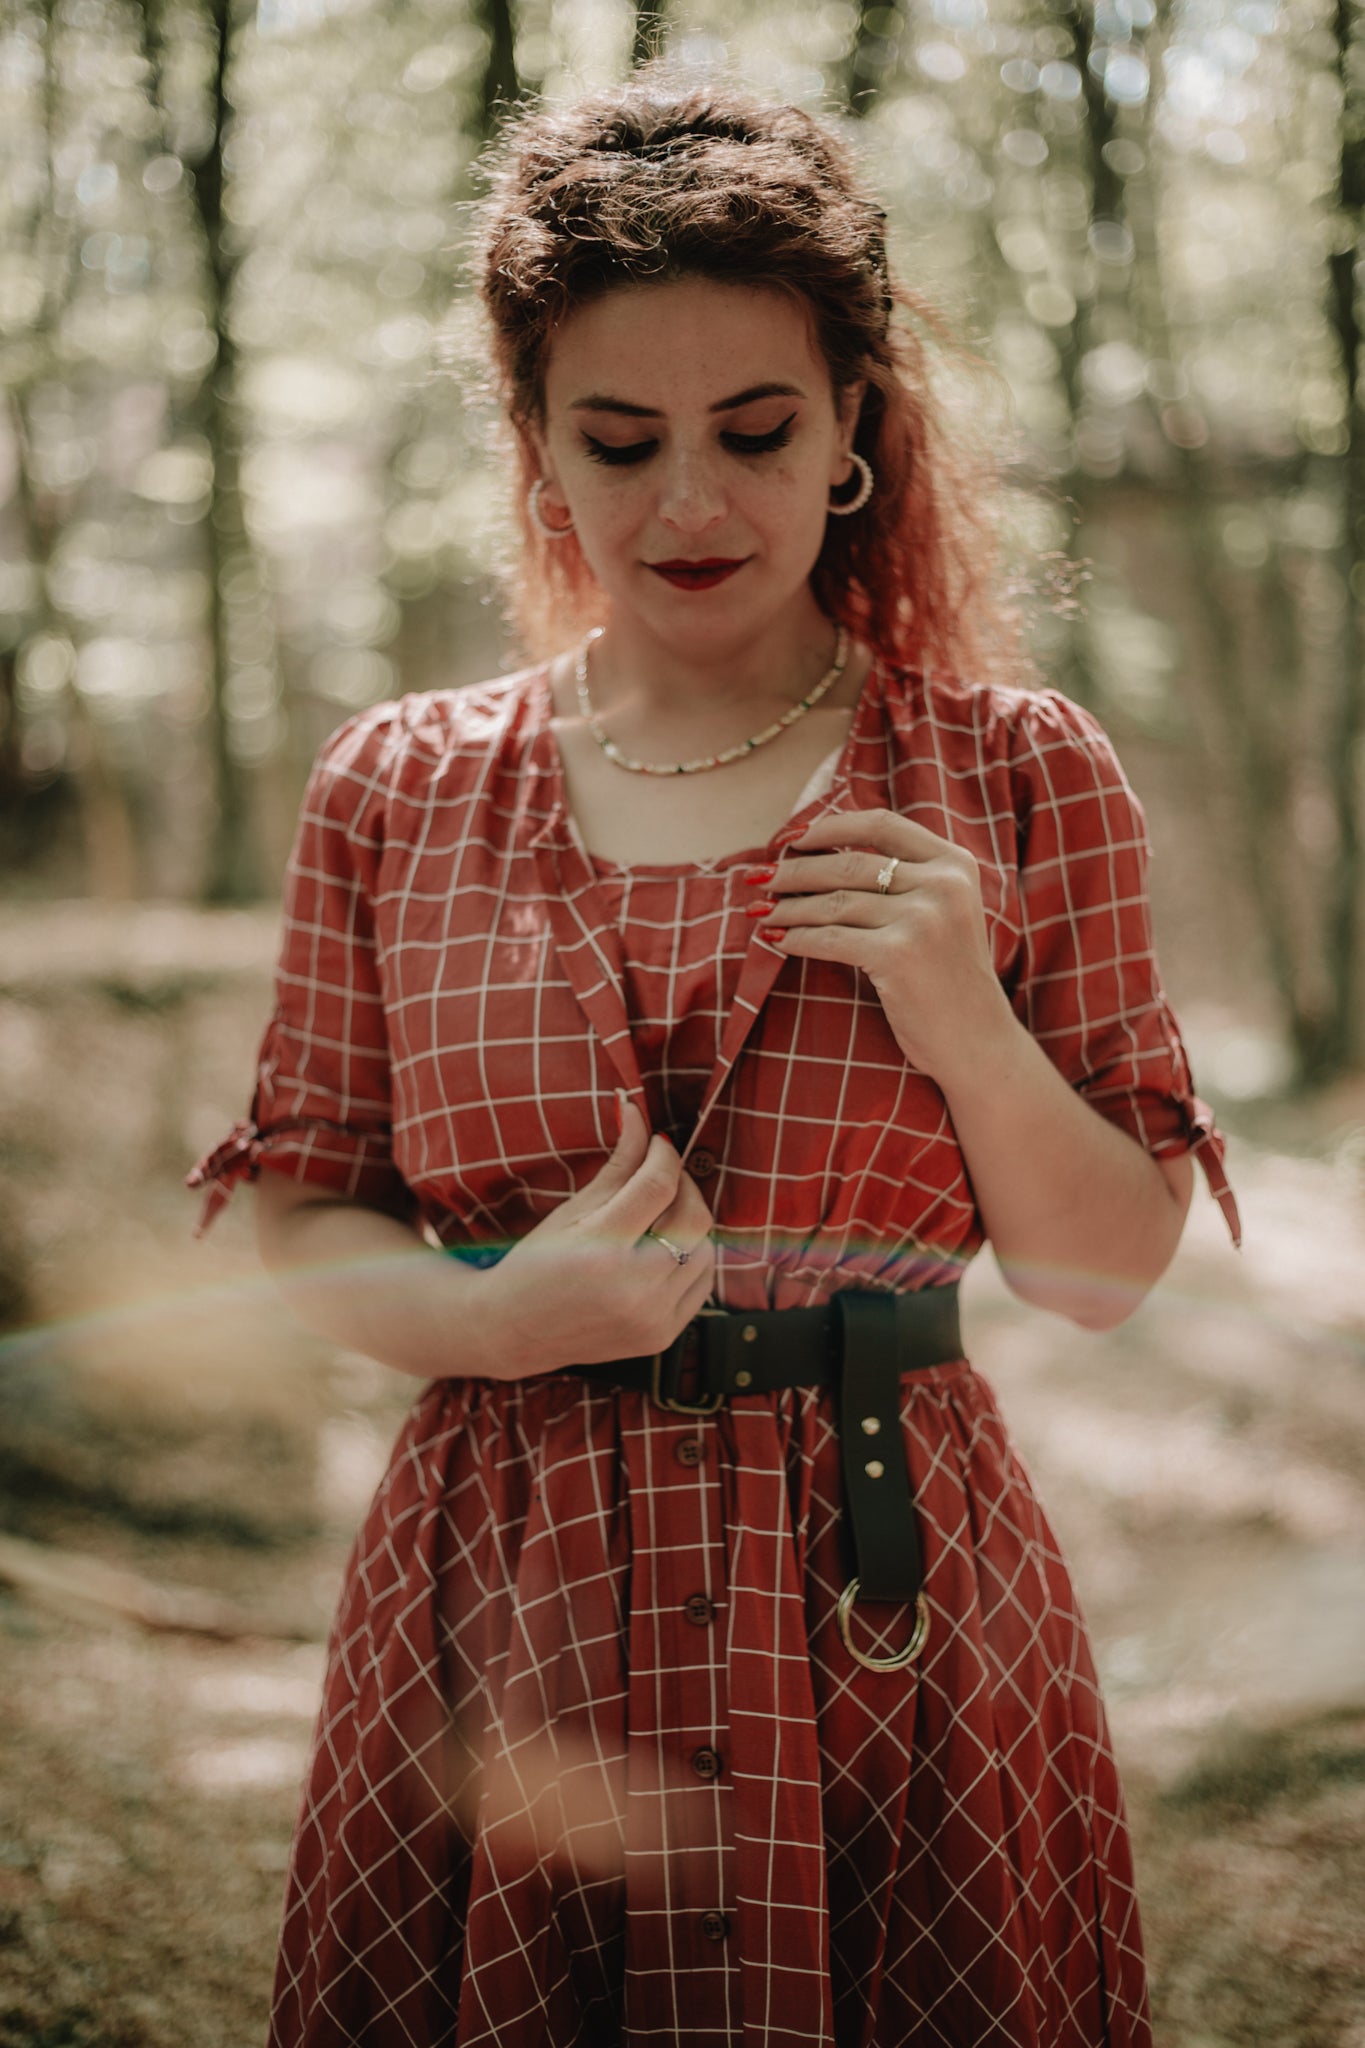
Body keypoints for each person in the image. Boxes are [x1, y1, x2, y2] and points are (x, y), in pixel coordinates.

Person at [188, 75, 1240, 2048]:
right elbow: (300, 1200)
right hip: (503, 1610)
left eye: (754, 432)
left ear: (853, 423)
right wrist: (497, 1320)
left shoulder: (1016, 773)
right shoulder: (396, 789)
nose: (688, 503)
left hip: (894, 1607)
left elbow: (1101, 1272)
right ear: (532, 448)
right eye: (619, 438)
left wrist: (967, 1027)